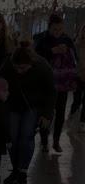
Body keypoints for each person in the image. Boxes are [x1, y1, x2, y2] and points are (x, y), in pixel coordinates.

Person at [0, 41, 55, 184]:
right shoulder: (8, 64)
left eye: (23, 68)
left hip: (32, 107)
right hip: (12, 105)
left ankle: (22, 172)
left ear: (31, 63)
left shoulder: (42, 67)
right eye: (16, 68)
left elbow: (51, 92)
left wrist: (47, 115)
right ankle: (16, 170)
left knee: (26, 137)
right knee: (12, 138)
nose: (19, 71)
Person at [35, 14, 78, 152]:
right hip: (46, 82)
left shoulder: (67, 39)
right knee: (46, 112)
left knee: (60, 113)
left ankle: (56, 140)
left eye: (60, 29)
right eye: (54, 29)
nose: (57, 32)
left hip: (63, 83)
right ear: (49, 27)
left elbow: (74, 59)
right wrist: (52, 51)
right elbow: (36, 55)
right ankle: (43, 139)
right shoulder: (42, 38)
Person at [70, 24, 85, 131]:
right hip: (78, 75)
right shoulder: (77, 45)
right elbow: (73, 61)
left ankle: (82, 122)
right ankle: (72, 118)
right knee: (77, 99)